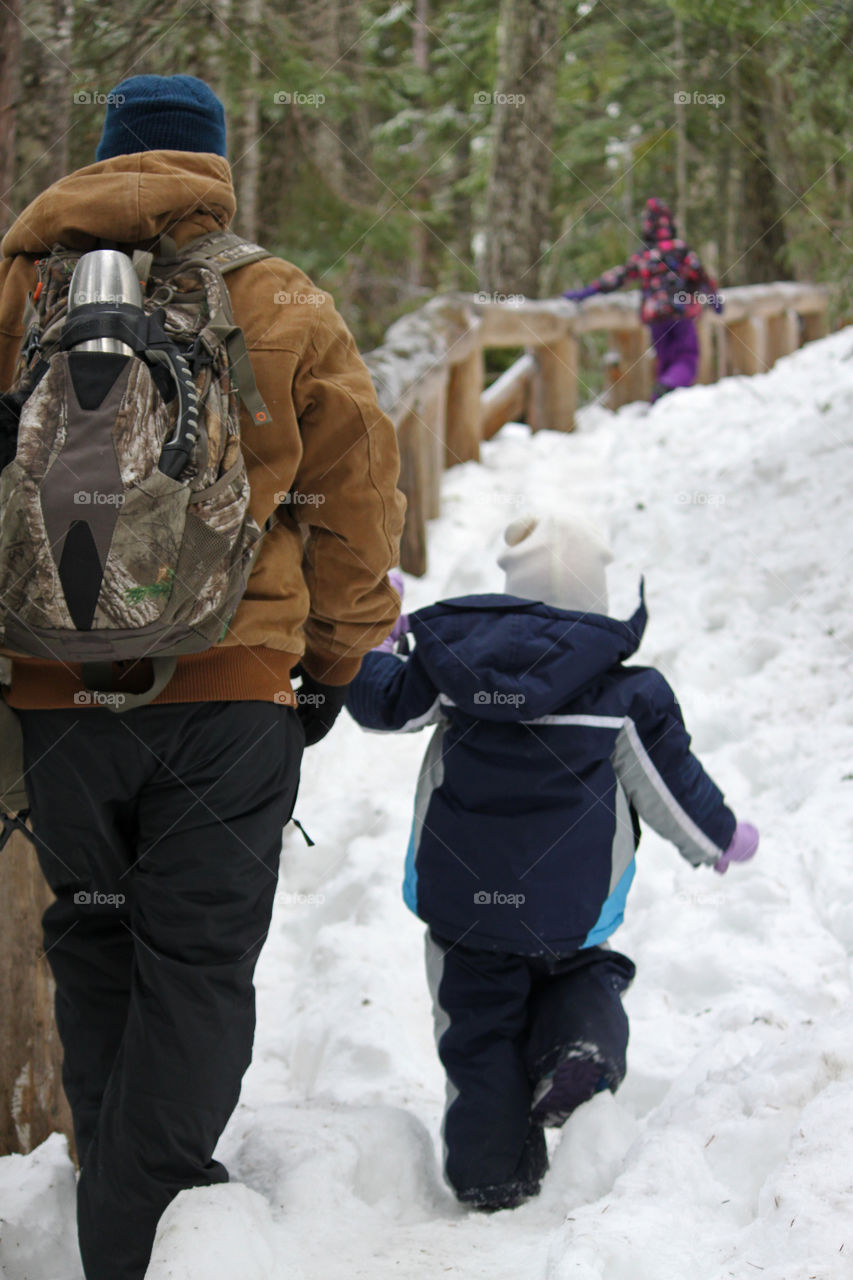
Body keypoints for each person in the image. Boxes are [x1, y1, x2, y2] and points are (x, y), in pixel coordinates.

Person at [0, 74, 405, 1280]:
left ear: (104, 158)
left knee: (95, 935)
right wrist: (330, 660)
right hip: (227, 688)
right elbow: (357, 503)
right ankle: (138, 1229)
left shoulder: (18, 290)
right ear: (215, 167)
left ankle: (124, 1203)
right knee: (198, 963)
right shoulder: (275, 298)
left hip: (48, 689)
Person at [346, 512, 758, 1211]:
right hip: (569, 911)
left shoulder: (451, 669)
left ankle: (491, 1175)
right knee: (585, 972)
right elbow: (670, 788)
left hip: (465, 911)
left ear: (510, 594)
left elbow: (382, 705)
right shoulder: (627, 694)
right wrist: (716, 840)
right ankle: (578, 1042)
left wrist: (371, 637)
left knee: (477, 1035)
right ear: (596, 599)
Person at [564, 197, 722, 401]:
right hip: (681, 314)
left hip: (656, 316)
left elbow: (617, 277)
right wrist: (714, 299)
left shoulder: (645, 256)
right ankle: (667, 388)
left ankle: (662, 399)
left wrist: (587, 292)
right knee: (687, 358)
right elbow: (701, 276)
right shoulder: (680, 250)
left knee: (665, 360)